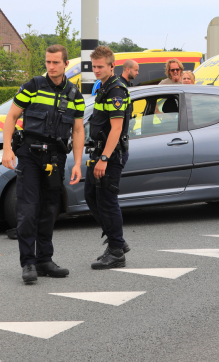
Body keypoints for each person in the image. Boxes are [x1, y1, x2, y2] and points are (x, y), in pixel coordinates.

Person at [1, 44, 85, 284]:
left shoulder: (75, 95)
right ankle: (28, 263)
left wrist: (77, 163)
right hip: (29, 154)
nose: (51, 66)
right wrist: (7, 148)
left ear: (65, 64)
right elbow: (12, 117)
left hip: (56, 157)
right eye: (48, 62)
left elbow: (78, 130)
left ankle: (44, 260)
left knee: (49, 210)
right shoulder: (33, 86)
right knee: (28, 210)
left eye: (56, 62)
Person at [86, 46, 131, 270]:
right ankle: (117, 241)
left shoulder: (116, 90)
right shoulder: (103, 86)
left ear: (112, 66)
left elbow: (116, 128)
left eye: (100, 66)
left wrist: (104, 158)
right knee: (91, 196)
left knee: (107, 201)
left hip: (111, 155)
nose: (96, 70)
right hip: (99, 151)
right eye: (94, 66)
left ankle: (116, 252)